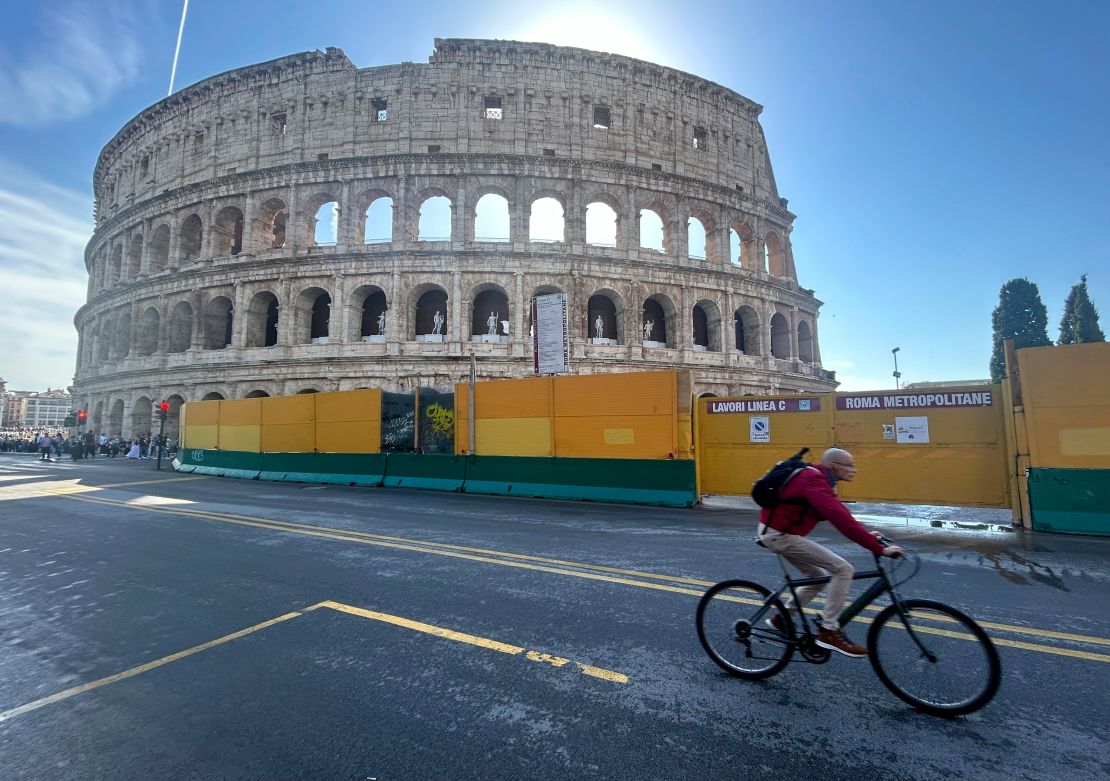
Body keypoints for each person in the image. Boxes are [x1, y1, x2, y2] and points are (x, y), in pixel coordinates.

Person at [757, 447, 903, 658]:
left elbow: (838, 512)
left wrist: (867, 535)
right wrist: (879, 549)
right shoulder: (813, 479)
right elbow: (839, 519)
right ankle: (828, 631)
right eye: (849, 465)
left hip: (779, 532)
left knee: (818, 578)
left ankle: (781, 618)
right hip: (779, 535)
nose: (855, 469)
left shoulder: (820, 480)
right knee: (843, 569)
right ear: (834, 466)